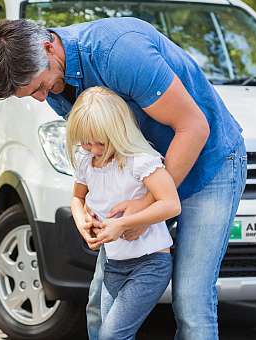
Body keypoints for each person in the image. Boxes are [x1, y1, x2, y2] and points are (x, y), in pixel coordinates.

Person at [0, 17, 247, 340]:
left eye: (38, 86)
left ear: (48, 47)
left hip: (208, 164)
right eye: (31, 94)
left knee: (191, 300)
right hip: (145, 181)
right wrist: (87, 211)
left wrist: (143, 209)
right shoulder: (55, 81)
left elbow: (194, 128)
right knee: (97, 302)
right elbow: (103, 154)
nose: (41, 98)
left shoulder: (119, 53)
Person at [67, 87, 180, 340]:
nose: (93, 149)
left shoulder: (139, 160)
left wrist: (126, 223)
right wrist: (82, 222)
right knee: (106, 332)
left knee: (112, 335)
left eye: (100, 142)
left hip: (150, 263)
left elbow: (171, 204)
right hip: (114, 263)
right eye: (86, 141)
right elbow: (77, 198)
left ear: (118, 132)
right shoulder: (86, 160)